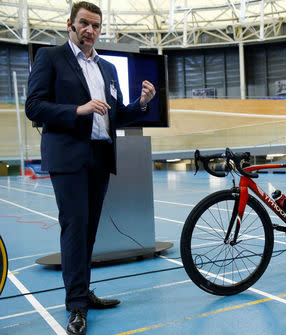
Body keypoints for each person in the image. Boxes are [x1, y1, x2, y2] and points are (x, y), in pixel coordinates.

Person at [25, 2, 156, 334]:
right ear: (70, 24)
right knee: (75, 229)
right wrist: (78, 110)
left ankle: (82, 293)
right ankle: (77, 307)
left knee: (89, 232)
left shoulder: (108, 69)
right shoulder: (50, 58)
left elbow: (116, 115)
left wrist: (141, 104)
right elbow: (34, 107)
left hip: (100, 156)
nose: (90, 30)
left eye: (96, 26)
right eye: (84, 23)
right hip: (68, 156)